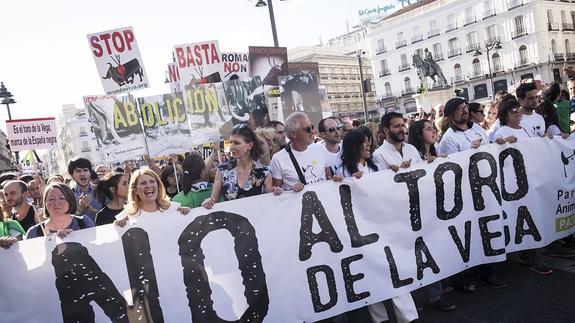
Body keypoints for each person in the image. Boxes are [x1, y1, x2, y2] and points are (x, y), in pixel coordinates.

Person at [203, 125, 279, 208]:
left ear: (249, 145)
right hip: (231, 219)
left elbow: (270, 201)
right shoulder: (222, 170)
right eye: (231, 142)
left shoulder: (264, 173)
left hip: (256, 219)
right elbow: (214, 201)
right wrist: (208, 202)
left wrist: (276, 192)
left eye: (237, 143)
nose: (231, 147)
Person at [270, 112, 334, 192]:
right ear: (293, 134)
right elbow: (276, 192)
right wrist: (291, 190)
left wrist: (336, 179)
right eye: (308, 129)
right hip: (299, 203)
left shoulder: (321, 149)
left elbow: (329, 178)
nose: (313, 132)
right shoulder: (278, 159)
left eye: (312, 127)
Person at [115, 169, 190, 226]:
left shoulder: (174, 209)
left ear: (158, 185)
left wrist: (188, 213)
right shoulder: (127, 217)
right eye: (143, 183)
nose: (148, 186)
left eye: (152, 181)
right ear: (135, 190)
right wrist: (119, 226)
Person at [26, 182, 95, 239]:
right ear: (45, 204)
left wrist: (74, 238)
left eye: (62, 198)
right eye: (51, 199)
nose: (56, 203)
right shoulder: (34, 233)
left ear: (70, 201)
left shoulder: (84, 223)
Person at [67, 157, 102, 221]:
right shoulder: (68, 195)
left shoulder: (101, 191)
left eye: (85, 170)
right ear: (72, 174)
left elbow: (109, 214)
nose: (82, 174)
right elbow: (68, 222)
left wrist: (91, 209)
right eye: (78, 171)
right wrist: (80, 209)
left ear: (90, 172)